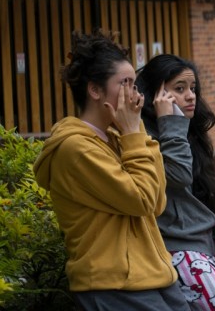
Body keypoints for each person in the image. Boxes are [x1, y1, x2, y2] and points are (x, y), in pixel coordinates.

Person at [33, 30, 189, 310]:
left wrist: (135, 131)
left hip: (152, 275)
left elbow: (156, 203)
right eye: (126, 83)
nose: (135, 94)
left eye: (135, 84)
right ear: (95, 90)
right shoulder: (75, 149)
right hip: (114, 284)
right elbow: (141, 199)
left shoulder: (118, 137)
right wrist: (133, 133)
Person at [136, 54, 215, 311]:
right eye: (179, 88)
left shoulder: (188, 131)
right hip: (177, 249)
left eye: (193, 88)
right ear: (155, 95)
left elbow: (198, 193)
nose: (191, 96)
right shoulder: (144, 136)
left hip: (204, 246)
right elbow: (177, 176)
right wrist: (170, 124)